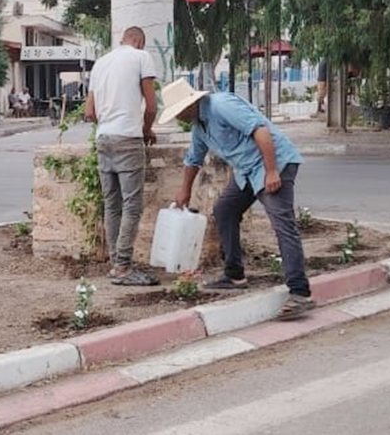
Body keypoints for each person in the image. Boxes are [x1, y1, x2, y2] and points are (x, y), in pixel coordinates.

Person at [162, 78, 315, 319]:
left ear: (188, 105)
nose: (177, 118)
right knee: (225, 210)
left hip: (273, 163)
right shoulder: (199, 127)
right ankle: (234, 274)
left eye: (177, 112)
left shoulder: (221, 105)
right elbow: (193, 159)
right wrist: (185, 191)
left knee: (282, 225)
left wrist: (272, 171)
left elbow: (260, 130)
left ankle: (300, 292)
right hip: (246, 171)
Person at [84, 26, 158, 285]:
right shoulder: (141, 57)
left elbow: (90, 111)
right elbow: (151, 106)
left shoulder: (101, 63)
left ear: (122, 39)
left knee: (111, 204)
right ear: (139, 41)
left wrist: (107, 126)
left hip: (103, 138)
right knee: (132, 205)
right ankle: (124, 266)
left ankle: (116, 262)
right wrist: (147, 130)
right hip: (128, 137)